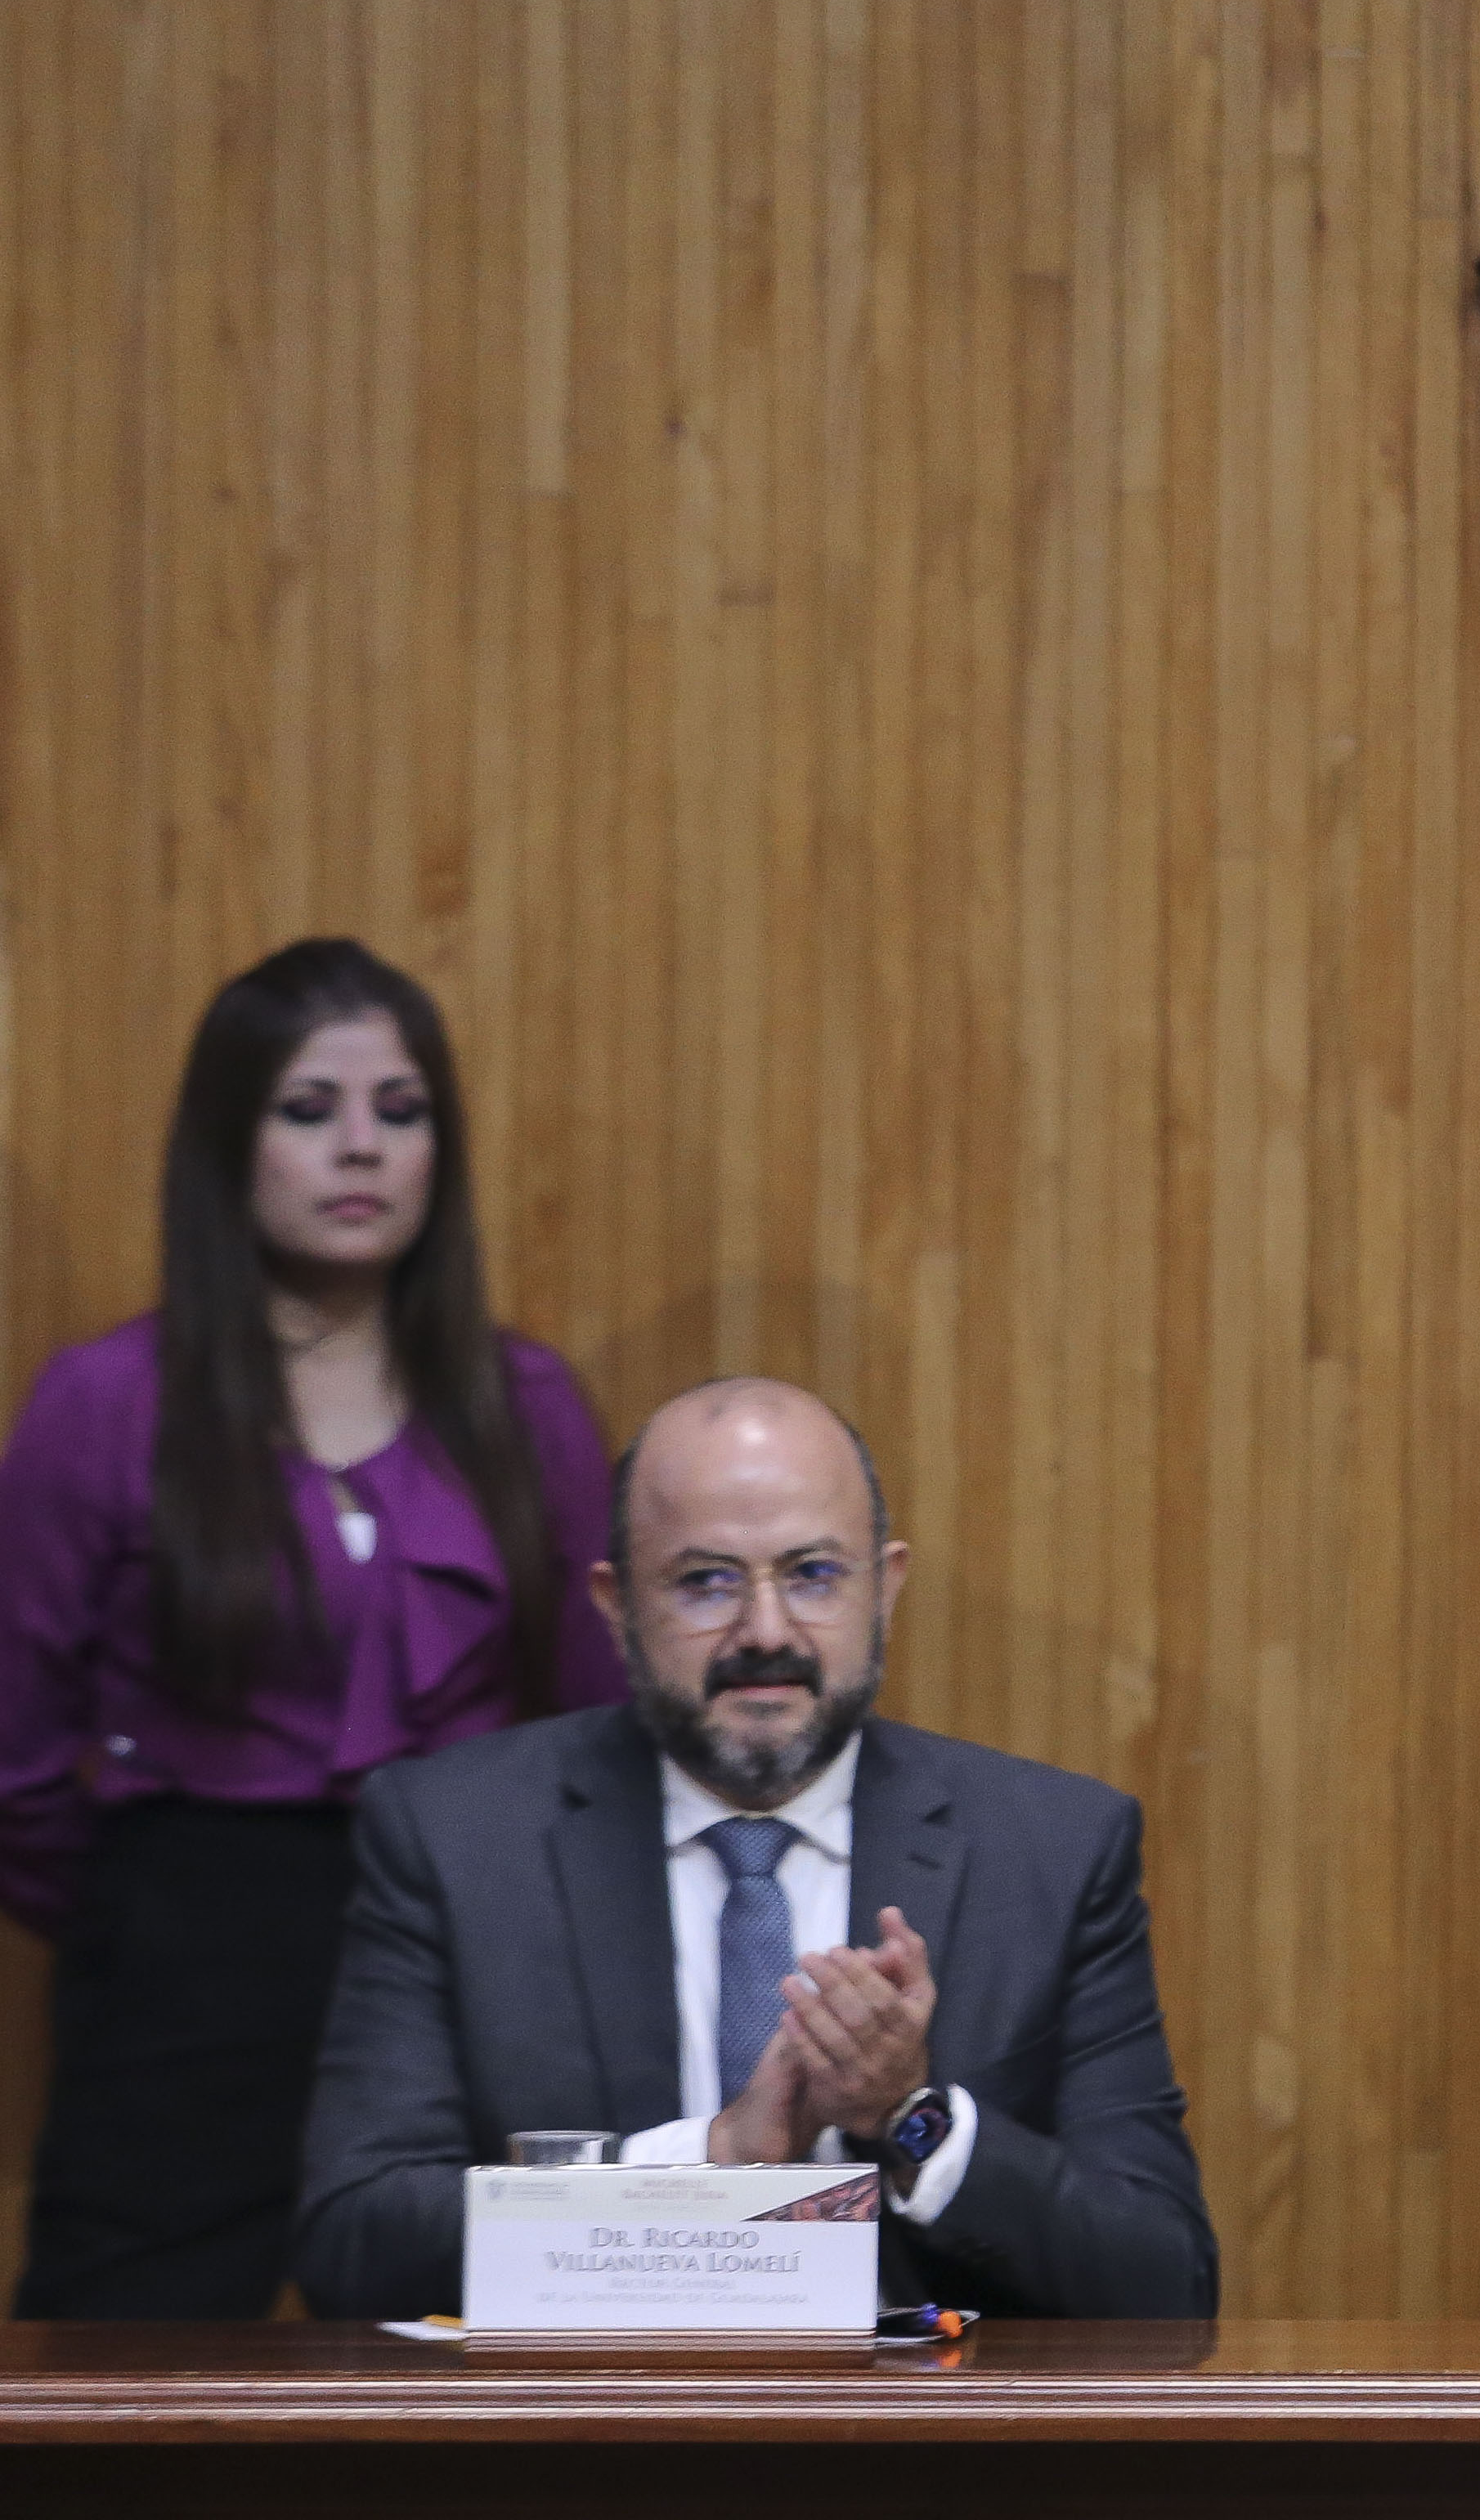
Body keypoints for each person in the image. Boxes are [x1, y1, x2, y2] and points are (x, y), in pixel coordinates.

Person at [294, 1378, 1215, 2320]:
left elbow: (1163, 2278)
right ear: (616, 1605)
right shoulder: (455, 1836)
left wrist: (911, 2117)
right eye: (706, 1580)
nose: (766, 1631)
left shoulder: (1051, 1849)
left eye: (813, 1573)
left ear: (885, 1587)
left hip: (923, 2413)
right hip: (593, 2409)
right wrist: (710, 2161)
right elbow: (356, 2242)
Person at [0, 939, 623, 2318]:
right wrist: (134, 1916)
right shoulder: (104, 1400)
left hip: (465, 1944)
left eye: (400, 1112)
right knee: (126, 2372)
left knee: (474, 2355)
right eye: (308, 1109)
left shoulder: (526, 1404)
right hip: (187, 1951)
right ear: (230, 1139)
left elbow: (596, 1731)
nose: (361, 1148)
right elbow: (15, 1754)